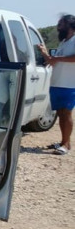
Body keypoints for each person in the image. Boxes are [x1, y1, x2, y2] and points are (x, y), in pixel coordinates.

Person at [41, 14, 75, 155]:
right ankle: (63, 141)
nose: (58, 27)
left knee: (66, 113)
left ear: (70, 26)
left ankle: (66, 145)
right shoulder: (64, 42)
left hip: (69, 84)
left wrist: (56, 58)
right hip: (57, 83)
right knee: (60, 113)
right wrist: (45, 53)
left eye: (61, 24)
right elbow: (53, 61)